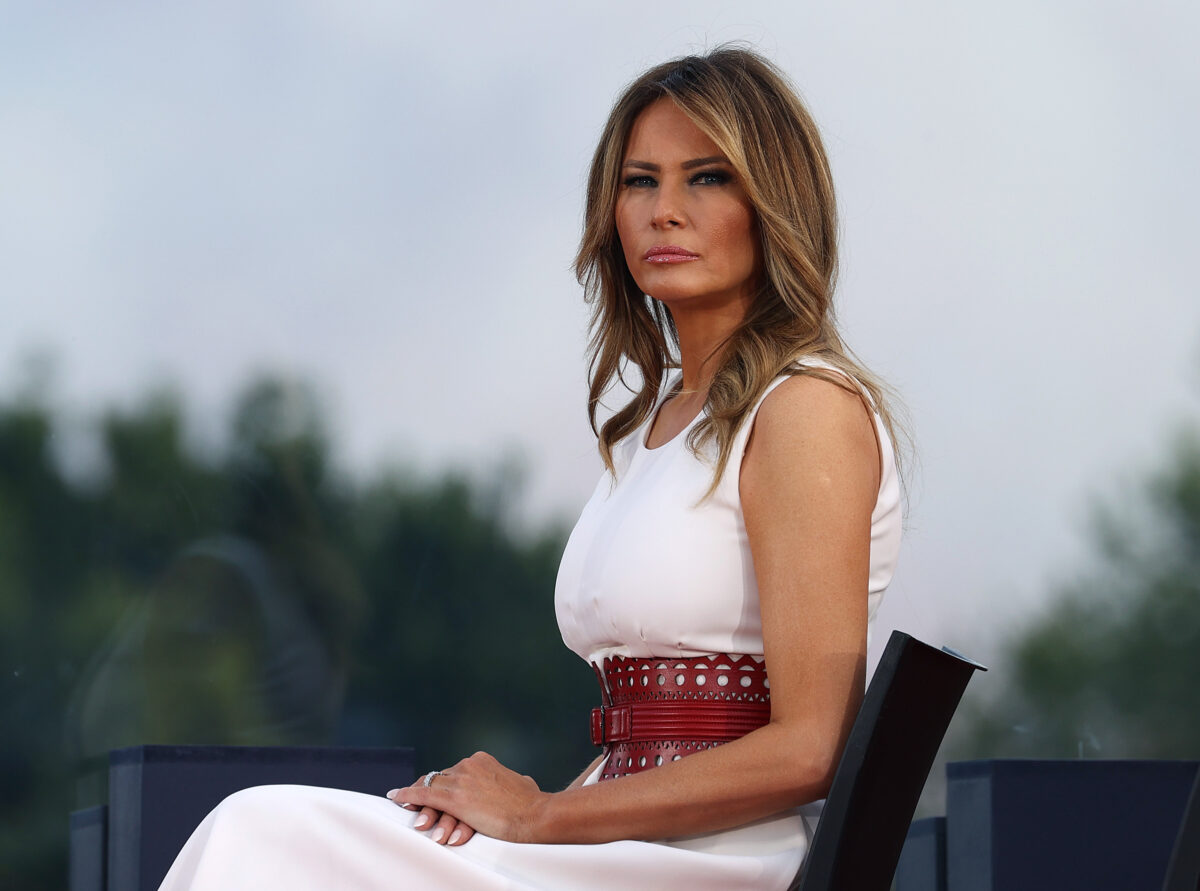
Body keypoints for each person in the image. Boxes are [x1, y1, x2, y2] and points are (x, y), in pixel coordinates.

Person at [158, 45, 902, 891]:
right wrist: (530, 815)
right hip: (609, 828)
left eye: (707, 178)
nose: (665, 211)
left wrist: (542, 816)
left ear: (775, 203)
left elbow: (812, 748)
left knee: (263, 831)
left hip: (724, 859)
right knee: (270, 834)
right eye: (639, 181)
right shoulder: (651, 429)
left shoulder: (806, 408)